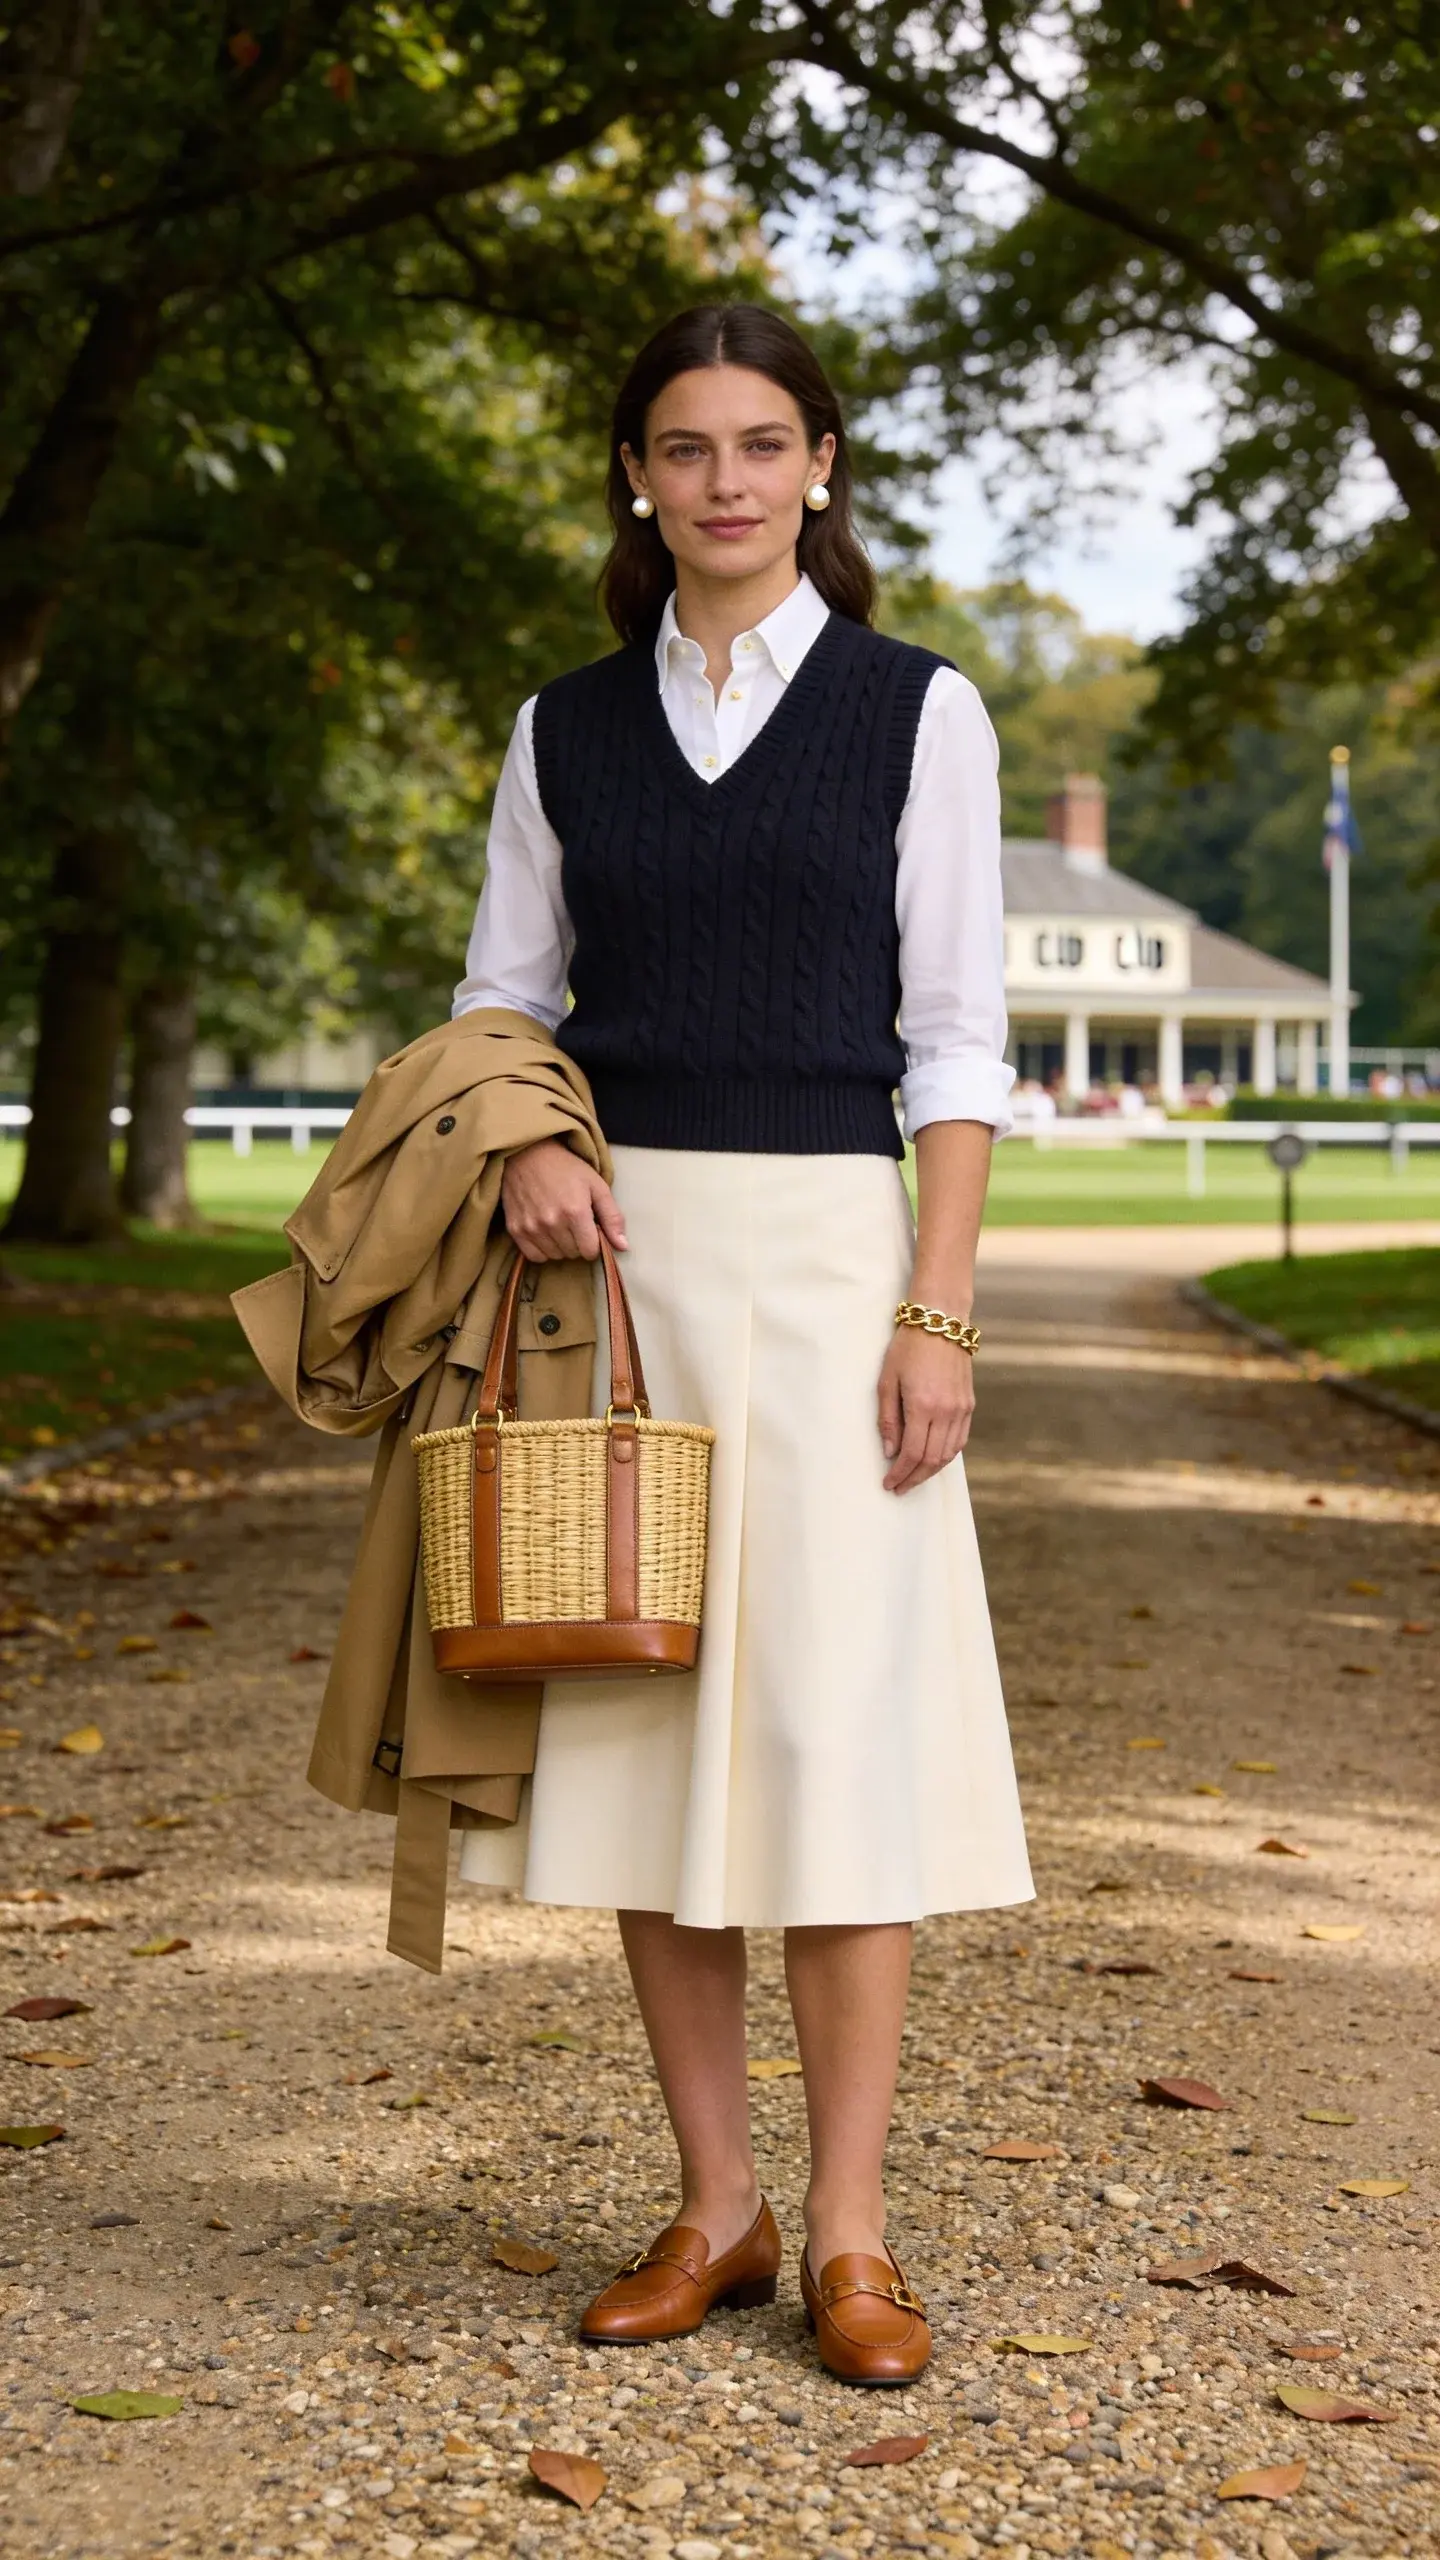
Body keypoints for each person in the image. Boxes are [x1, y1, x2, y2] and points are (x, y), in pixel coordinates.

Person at [451, 303, 1033, 2386]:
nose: (723, 479)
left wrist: (936, 1307)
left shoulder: (917, 712)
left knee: (834, 1749)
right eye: (685, 447)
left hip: (829, 1252)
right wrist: (527, 1142)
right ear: (638, 475)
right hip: (612, 1275)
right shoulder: (565, 726)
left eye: (761, 443)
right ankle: (719, 2204)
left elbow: (958, 1038)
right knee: (646, 1731)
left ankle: (858, 2235)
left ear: (820, 467)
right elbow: (501, 996)